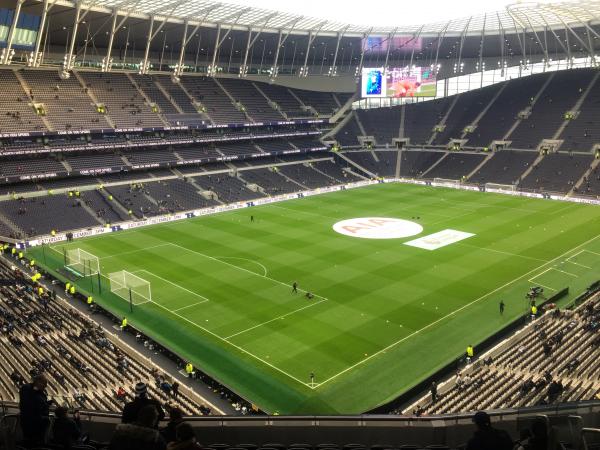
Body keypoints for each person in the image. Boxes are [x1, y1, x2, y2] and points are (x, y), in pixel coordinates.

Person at [19, 374, 52, 446]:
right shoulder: (26, 388)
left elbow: (40, 403)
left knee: (39, 442)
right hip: (31, 422)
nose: (45, 386)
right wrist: (35, 390)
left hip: (40, 423)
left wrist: (47, 403)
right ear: (37, 381)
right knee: (32, 443)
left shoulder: (41, 392)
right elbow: (29, 403)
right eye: (44, 384)